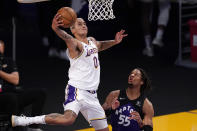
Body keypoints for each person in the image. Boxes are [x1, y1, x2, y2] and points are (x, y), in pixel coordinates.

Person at [11, 12, 128, 131]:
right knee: (68, 119)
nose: (83, 25)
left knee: (104, 130)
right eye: (79, 24)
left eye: (84, 23)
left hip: (92, 95)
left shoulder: (92, 41)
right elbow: (66, 37)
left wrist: (115, 41)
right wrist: (56, 29)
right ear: (73, 30)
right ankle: (25, 120)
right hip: (77, 90)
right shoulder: (75, 44)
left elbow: (101, 45)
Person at [0, 40, 46, 131]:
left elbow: (15, 80)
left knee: (40, 93)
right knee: (11, 98)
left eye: (0, 47)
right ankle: (17, 129)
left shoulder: (8, 61)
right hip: (3, 97)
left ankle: (33, 127)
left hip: (13, 93)